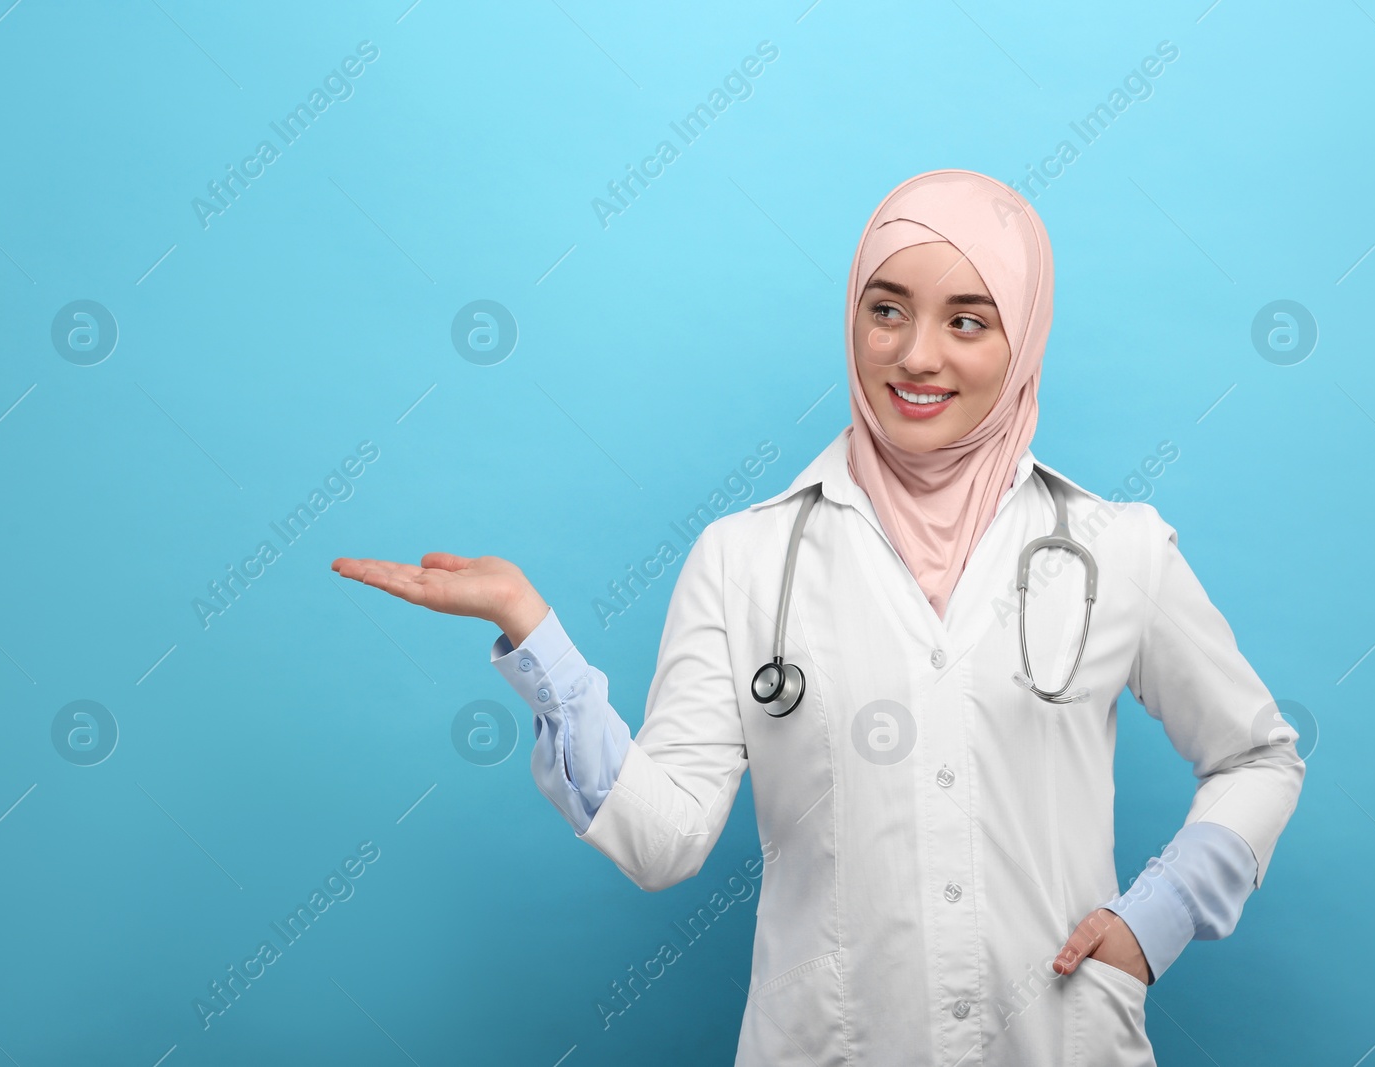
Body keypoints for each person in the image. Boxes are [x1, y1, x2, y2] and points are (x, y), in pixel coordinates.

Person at [332, 169, 1304, 1066]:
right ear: (853, 317)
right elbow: (660, 839)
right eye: (887, 310)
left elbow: (1257, 755)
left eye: (968, 321)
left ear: (1025, 338)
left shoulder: (1113, 548)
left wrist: (1161, 914)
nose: (915, 354)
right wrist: (533, 631)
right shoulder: (746, 558)